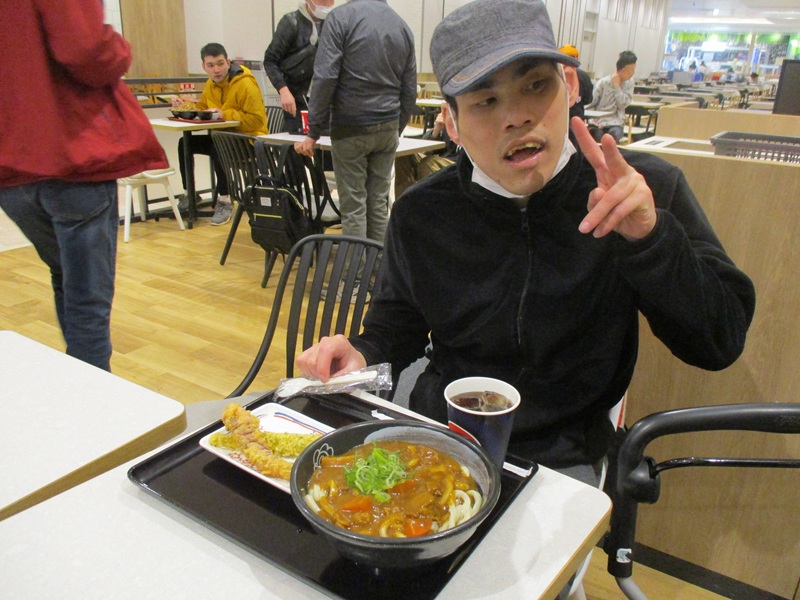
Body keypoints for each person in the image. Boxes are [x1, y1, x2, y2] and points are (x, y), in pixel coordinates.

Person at [296, 0, 755, 485]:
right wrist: (362, 353)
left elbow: (719, 341)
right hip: (444, 434)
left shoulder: (638, 191)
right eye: (485, 100)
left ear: (570, 85)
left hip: (565, 454)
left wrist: (650, 237)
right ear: (452, 123)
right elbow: (397, 324)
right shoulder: (421, 212)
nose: (515, 116)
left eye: (535, 85)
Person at [0, 0, 168, 371]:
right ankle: (94, 399)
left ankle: (78, 389)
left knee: (65, 277)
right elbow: (86, 49)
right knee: (87, 302)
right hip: (72, 153)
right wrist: (120, 48)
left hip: (11, 164)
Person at [294, 0, 417, 244]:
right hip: (388, 126)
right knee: (378, 203)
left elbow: (325, 77)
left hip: (350, 126)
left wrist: (314, 130)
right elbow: (409, 88)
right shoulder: (401, 25)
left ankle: (356, 268)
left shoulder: (340, 18)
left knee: (354, 207)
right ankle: (379, 266)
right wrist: (396, 126)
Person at [174, 43, 268, 226]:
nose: (216, 70)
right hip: (224, 137)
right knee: (184, 143)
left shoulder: (245, 83)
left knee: (218, 144)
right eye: (210, 65)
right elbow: (203, 108)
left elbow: (257, 120)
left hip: (250, 140)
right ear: (204, 67)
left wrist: (226, 114)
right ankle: (190, 194)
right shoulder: (211, 85)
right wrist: (186, 106)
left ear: (228, 62)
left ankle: (225, 200)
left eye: (220, 63)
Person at [263, 0, 335, 134]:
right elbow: (270, 60)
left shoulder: (333, 23)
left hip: (325, 103)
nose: (326, 5)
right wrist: (284, 91)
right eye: (322, 1)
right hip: (296, 100)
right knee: (297, 143)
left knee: (325, 144)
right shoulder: (290, 22)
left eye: (330, 1)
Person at [394, 109, 459, 197]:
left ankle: (427, 203)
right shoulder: (451, 117)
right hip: (443, 158)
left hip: (459, 163)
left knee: (428, 162)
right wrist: (436, 130)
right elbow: (428, 150)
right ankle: (404, 201)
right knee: (404, 155)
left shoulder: (470, 122)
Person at [585, 50, 637, 142]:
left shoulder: (629, 83)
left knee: (611, 138)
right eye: (632, 70)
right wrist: (591, 120)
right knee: (596, 136)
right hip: (597, 122)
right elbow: (590, 104)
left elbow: (623, 104)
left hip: (616, 123)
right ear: (624, 70)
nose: (633, 73)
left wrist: (617, 87)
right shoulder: (603, 83)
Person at [558, 45, 593, 120]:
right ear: (576, 58)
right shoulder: (584, 76)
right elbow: (588, 100)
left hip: (557, 121)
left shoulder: (554, 75)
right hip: (576, 121)